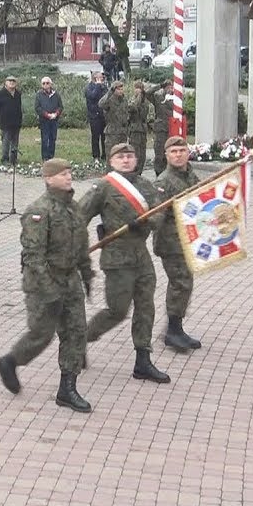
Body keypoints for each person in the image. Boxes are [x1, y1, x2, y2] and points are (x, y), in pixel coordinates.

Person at [0, 158, 94, 412]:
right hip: (43, 283)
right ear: (48, 179)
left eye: (69, 172)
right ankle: (9, 362)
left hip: (70, 280)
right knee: (42, 334)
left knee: (76, 331)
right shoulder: (38, 211)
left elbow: (81, 244)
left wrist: (86, 273)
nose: (68, 177)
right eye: (62, 173)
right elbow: (33, 257)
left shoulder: (73, 208)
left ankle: (67, 389)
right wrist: (50, 292)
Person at [80, 143, 169, 383]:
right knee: (117, 311)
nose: (126, 160)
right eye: (121, 157)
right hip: (117, 258)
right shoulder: (104, 186)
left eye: (130, 156)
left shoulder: (145, 185)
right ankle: (80, 340)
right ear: (112, 161)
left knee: (145, 307)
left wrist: (146, 221)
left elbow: (160, 212)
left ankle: (143, 360)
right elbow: (80, 215)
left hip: (141, 257)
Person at [153, 137, 202, 351]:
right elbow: (156, 215)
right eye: (173, 152)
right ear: (166, 155)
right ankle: (172, 332)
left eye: (182, 150)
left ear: (188, 153)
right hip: (170, 242)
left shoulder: (190, 175)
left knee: (185, 283)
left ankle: (176, 328)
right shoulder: (163, 182)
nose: (178, 155)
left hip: (187, 240)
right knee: (180, 283)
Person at [144, 82, 174, 175]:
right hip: (161, 129)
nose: (170, 89)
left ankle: (168, 173)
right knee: (159, 152)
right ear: (164, 88)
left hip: (172, 128)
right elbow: (147, 93)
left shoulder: (175, 99)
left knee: (169, 153)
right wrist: (159, 85)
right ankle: (158, 173)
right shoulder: (158, 98)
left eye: (172, 87)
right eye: (168, 87)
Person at [0, 75, 22, 165]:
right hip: (5, 122)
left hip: (16, 122)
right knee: (6, 141)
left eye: (13, 81)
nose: (12, 82)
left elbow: (19, 107)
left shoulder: (18, 94)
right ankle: (5, 159)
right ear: (5, 82)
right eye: (9, 81)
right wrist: (1, 118)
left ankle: (13, 159)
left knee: (15, 142)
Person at [35, 77, 63, 162]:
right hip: (44, 120)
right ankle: (45, 157)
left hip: (54, 120)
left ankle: (51, 156)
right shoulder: (39, 95)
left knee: (53, 138)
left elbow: (60, 106)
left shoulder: (56, 94)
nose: (45, 85)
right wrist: (47, 115)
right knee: (45, 139)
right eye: (43, 83)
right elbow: (37, 108)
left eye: (47, 83)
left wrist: (56, 114)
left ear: (51, 84)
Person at [84, 72, 108, 160]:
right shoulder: (89, 87)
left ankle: (105, 154)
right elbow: (92, 96)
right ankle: (96, 155)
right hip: (94, 116)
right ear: (95, 78)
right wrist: (97, 86)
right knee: (95, 137)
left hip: (103, 115)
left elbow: (107, 97)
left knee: (104, 136)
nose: (102, 78)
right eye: (100, 77)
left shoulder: (103, 86)